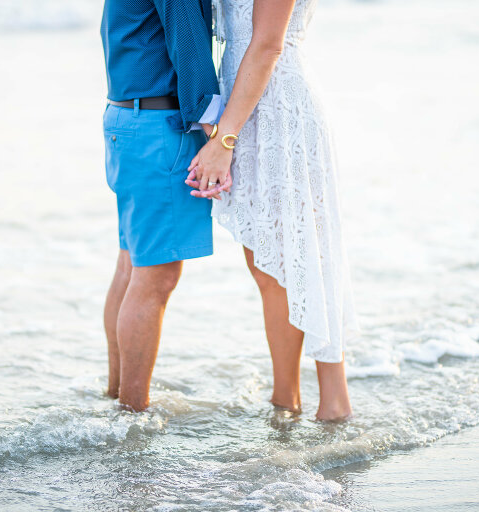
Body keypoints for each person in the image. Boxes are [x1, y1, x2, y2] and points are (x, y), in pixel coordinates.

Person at [186, 0, 361, 421]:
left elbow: (267, 44)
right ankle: (287, 403)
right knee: (269, 269)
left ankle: (331, 404)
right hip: (248, 107)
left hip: (280, 109)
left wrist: (223, 141)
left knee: (305, 257)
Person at [100, 0, 224, 411]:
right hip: (159, 128)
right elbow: (190, 54)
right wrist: (220, 143)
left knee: (131, 265)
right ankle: (133, 414)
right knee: (156, 278)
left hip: (127, 120)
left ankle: (117, 397)